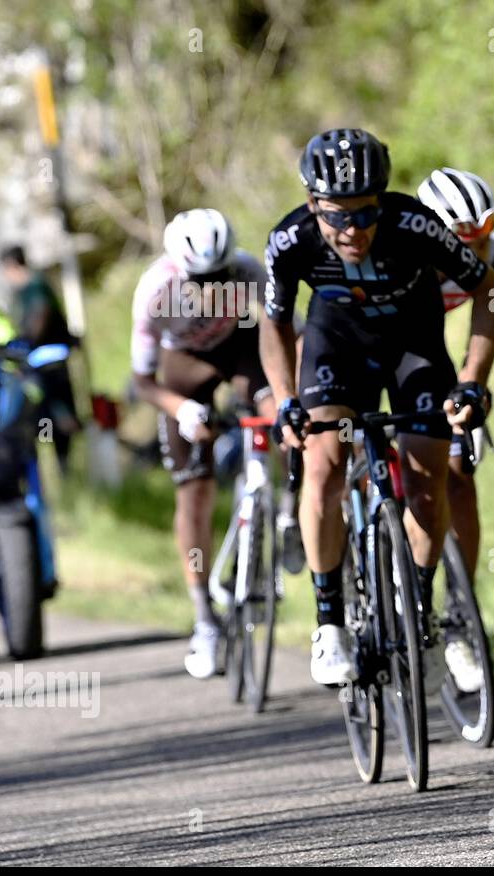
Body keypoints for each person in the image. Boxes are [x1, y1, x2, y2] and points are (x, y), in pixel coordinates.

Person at [259, 129, 494, 689]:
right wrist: (285, 398)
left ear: (382, 202)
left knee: (428, 480)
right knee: (321, 465)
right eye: (336, 216)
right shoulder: (290, 240)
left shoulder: (414, 225)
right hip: (334, 352)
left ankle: (420, 601)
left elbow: (490, 290)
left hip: (413, 350)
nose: (354, 230)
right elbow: (273, 323)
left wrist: (472, 380)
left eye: (366, 213)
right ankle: (329, 624)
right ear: (311, 204)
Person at [130, 208, 294, 678]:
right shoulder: (154, 291)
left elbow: (289, 334)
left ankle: (290, 509)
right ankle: (204, 619)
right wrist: (180, 409)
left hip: (239, 347)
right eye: (201, 279)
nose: (211, 288)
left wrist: (289, 399)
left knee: (280, 414)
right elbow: (143, 382)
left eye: (219, 276)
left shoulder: (248, 270)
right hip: (182, 367)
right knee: (195, 490)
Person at [416, 166, 494, 582]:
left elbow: (483, 314)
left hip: (426, 349)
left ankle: (462, 610)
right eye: (463, 241)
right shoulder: (401, 258)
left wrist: (473, 383)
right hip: (366, 345)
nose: (475, 250)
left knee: (458, 475)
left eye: (484, 234)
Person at [0, 246, 80, 471]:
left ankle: (68, 467)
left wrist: (27, 342)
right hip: (36, 366)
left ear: (12, 266)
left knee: (60, 414)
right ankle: (57, 468)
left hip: (50, 364)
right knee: (45, 420)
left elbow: (40, 314)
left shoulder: (35, 285)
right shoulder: (24, 290)